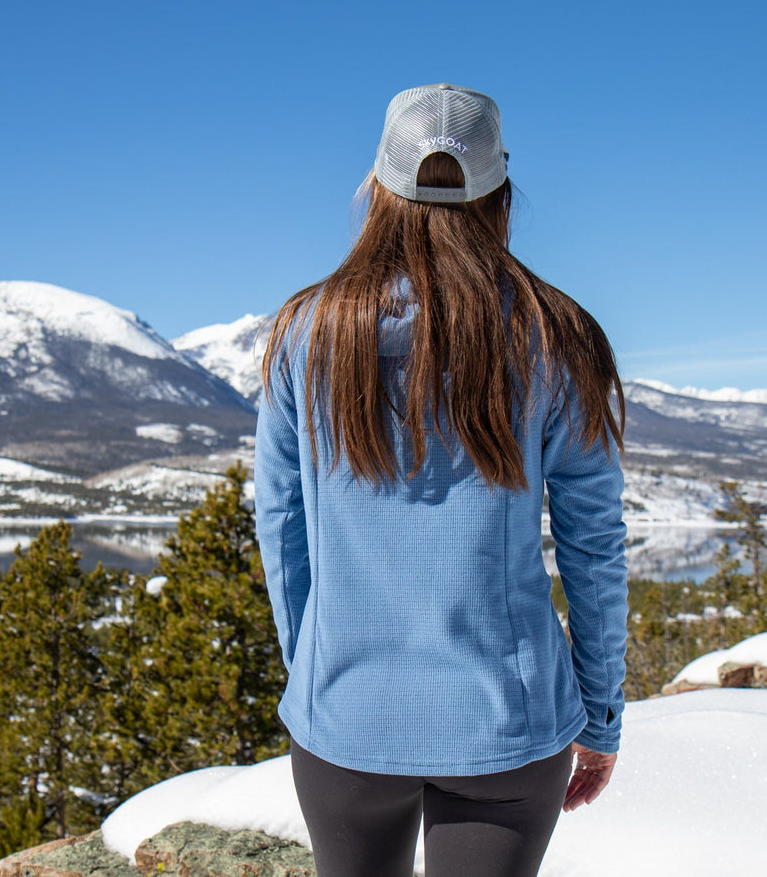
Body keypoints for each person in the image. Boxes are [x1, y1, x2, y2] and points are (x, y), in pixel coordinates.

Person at [253, 83, 628, 877]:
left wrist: (315, 673)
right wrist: (599, 712)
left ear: (376, 185)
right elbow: (592, 545)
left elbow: (280, 523)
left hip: (343, 720)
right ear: (501, 188)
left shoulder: (305, 333)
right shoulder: (556, 336)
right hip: (505, 727)